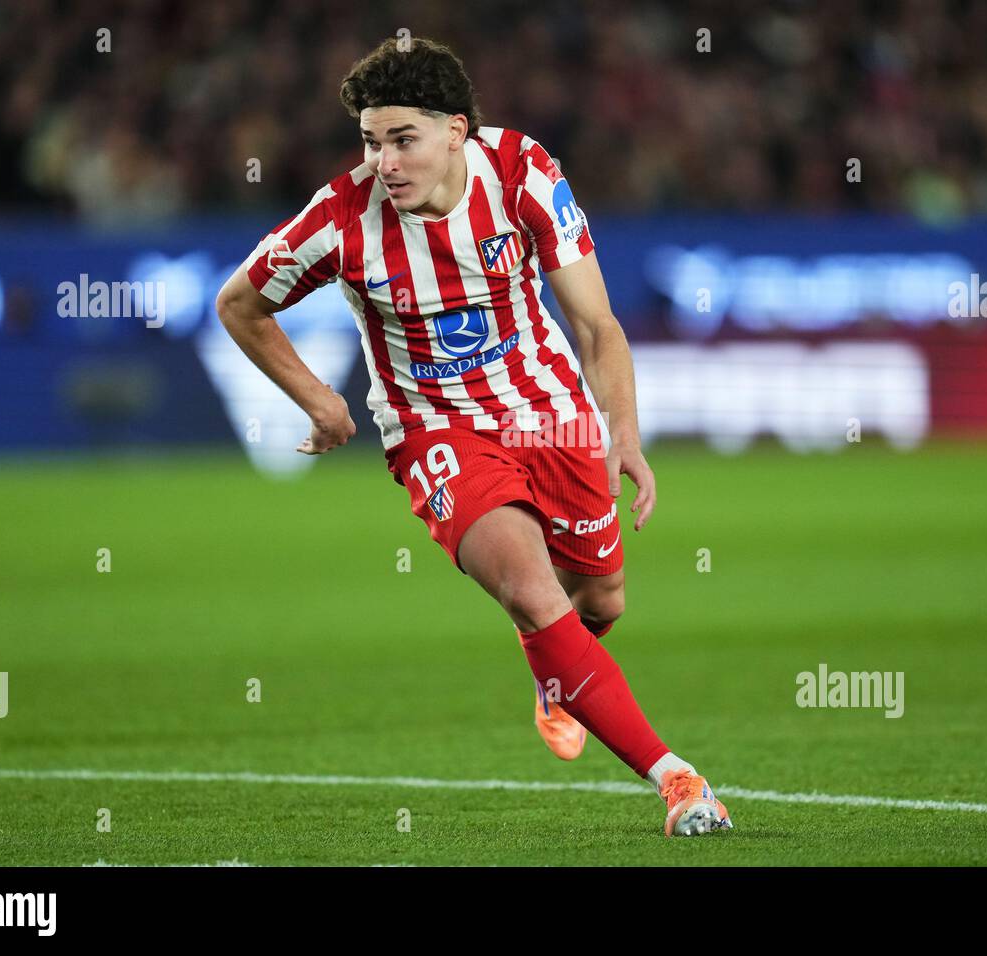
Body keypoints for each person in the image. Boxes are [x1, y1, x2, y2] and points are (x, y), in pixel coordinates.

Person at [215, 36, 732, 836]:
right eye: (369, 141)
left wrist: (623, 434)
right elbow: (239, 303)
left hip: (548, 407)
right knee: (530, 590)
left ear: (456, 131)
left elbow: (595, 324)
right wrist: (320, 401)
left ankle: (557, 673)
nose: (383, 162)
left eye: (401, 139)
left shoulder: (524, 172)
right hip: (433, 427)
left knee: (599, 600)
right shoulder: (341, 220)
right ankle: (680, 782)